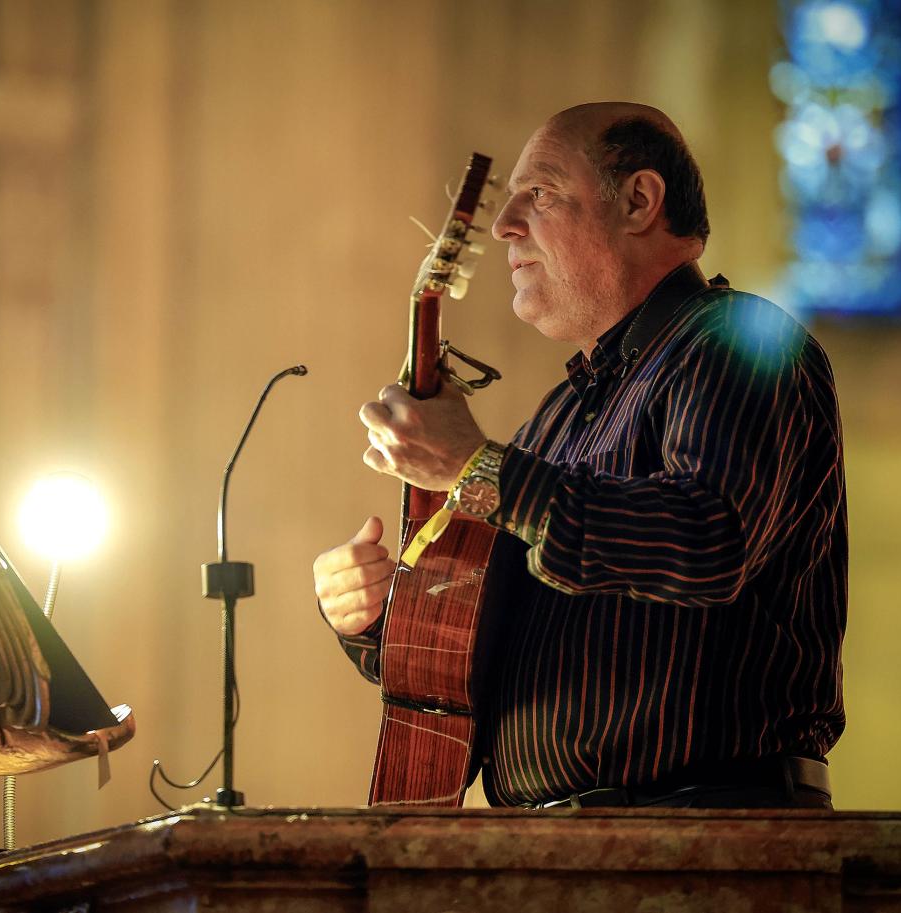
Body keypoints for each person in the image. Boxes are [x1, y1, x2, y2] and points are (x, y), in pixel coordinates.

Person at [313, 102, 846, 809]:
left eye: (539, 193)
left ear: (638, 201)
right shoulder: (556, 419)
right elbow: (473, 647)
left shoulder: (736, 342)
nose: (504, 225)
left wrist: (477, 465)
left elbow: (707, 540)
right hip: (552, 842)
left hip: (706, 827)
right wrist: (374, 616)